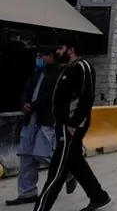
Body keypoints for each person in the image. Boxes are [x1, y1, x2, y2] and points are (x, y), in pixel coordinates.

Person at [33, 38, 111, 211]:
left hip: (72, 127)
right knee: (75, 162)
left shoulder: (83, 68)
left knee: (57, 170)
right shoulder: (67, 68)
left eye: (60, 48)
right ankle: (99, 196)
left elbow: (87, 98)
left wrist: (74, 122)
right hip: (62, 124)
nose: (57, 52)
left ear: (71, 50)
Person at [6, 47, 76, 206]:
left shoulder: (58, 74)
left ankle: (68, 172)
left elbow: (51, 96)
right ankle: (27, 192)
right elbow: (26, 90)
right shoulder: (37, 73)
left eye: (41, 56)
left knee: (41, 154)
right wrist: (24, 104)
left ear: (51, 56)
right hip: (30, 119)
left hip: (46, 120)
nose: (38, 59)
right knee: (26, 156)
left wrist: (34, 105)